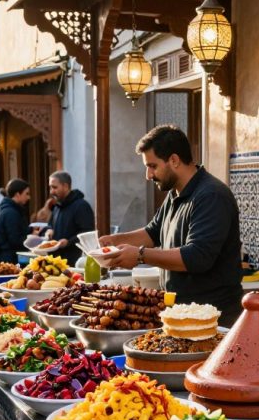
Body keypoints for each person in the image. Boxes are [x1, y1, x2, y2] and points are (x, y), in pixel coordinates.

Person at [99, 125, 244, 326]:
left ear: (174, 160)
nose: (148, 175)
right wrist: (114, 241)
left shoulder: (212, 195)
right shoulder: (175, 193)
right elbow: (153, 233)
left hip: (213, 320)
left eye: (152, 166)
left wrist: (140, 255)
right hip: (179, 313)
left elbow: (197, 257)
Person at [34, 171, 94, 263]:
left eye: (54, 187)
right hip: (55, 260)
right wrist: (49, 231)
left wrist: (68, 242)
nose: (51, 191)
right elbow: (50, 225)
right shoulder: (57, 206)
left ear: (65, 186)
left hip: (75, 261)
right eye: (50, 187)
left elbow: (87, 232)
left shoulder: (81, 206)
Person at [0, 178, 31, 264]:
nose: (28, 197)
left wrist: (30, 231)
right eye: (26, 194)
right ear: (17, 194)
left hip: (7, 257)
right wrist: (33, 239)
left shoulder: (7, 210)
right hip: (11, 259)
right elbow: (15, 240)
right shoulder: (11, 213)